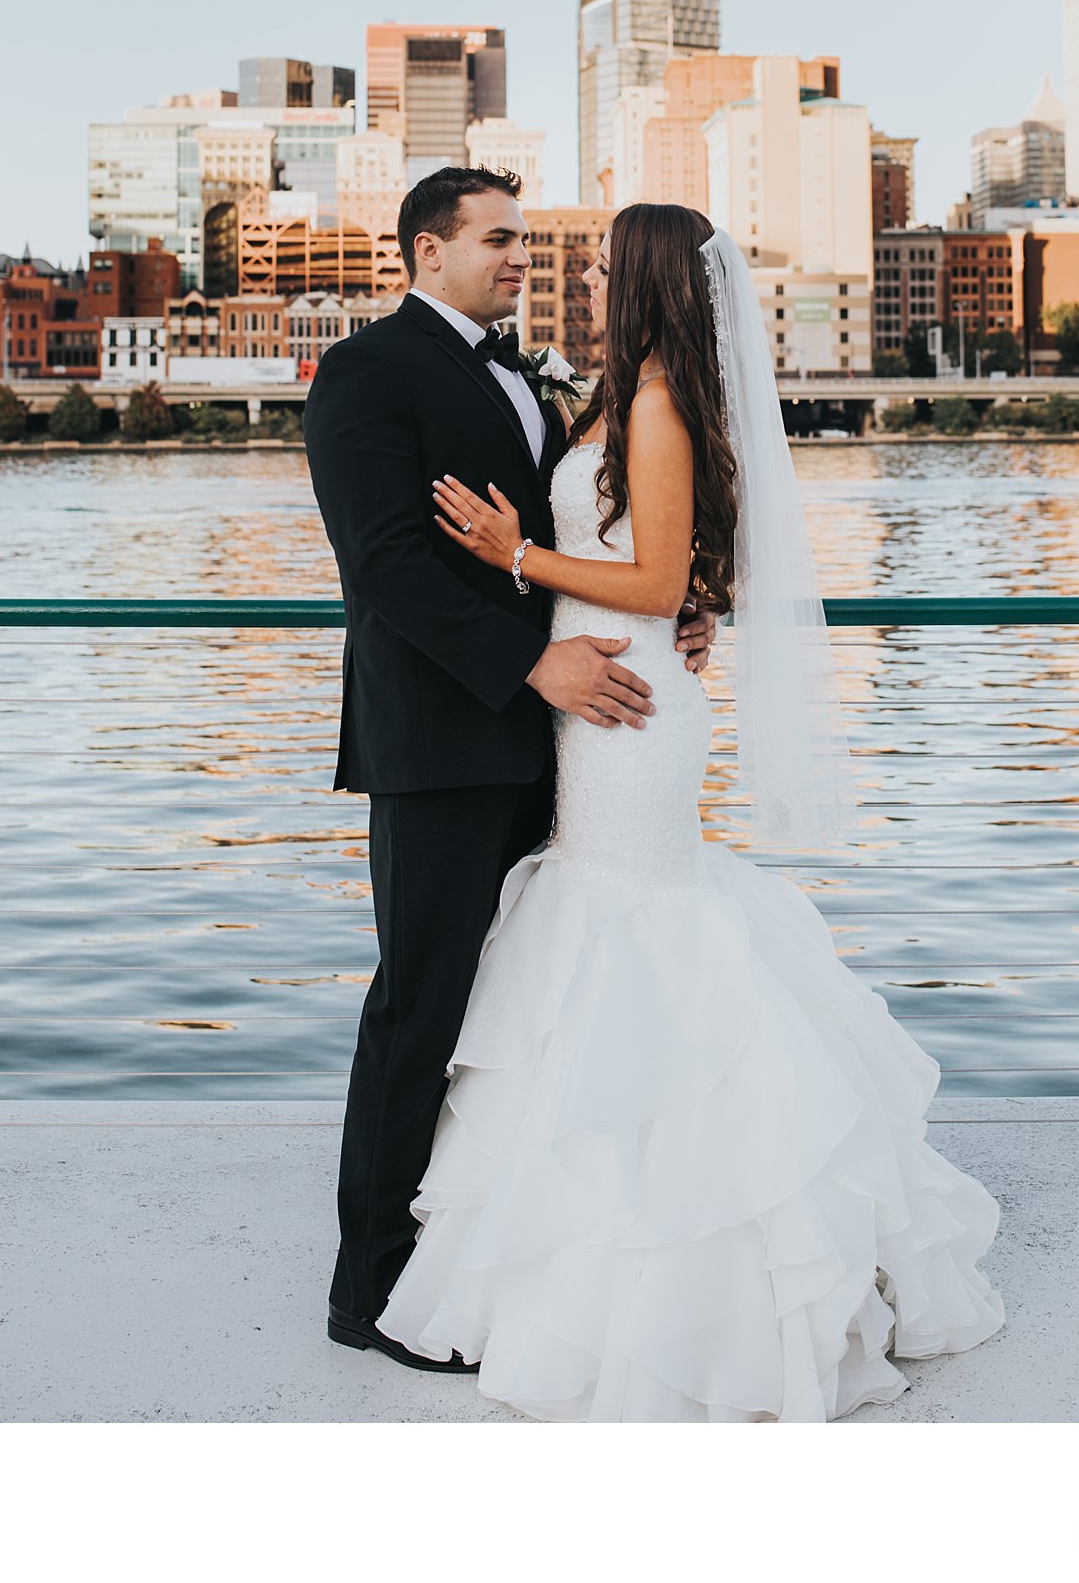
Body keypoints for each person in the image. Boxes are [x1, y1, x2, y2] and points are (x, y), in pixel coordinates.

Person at [373, 201, 1007, 1420]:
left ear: (646, 278)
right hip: (595, 695)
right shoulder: (619, 394)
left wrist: (519, 555)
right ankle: (605, 1222)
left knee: (638, 931)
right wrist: (652, 606)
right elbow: (672, 574)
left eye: (603, 262)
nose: (580, 271)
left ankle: (687, 1254)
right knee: (608, 934)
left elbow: (658, 580)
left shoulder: (655, 405)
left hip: (630, 718)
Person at [302, 168, 716, 1372]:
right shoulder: (366, 371)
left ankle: (485, 1254)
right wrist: (530, 667)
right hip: (442, 737)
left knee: (518, 1006)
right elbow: (383, 563)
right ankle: (368, 1288)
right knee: (421, 1004)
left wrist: (675, 618)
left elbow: (630, 536)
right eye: (498, 239)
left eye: (530, 239)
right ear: (426, 251)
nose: (522, 256)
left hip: (562, 739)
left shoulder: (539, 378)